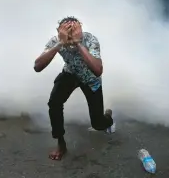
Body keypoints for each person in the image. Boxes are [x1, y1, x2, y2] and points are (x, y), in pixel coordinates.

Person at [33, 16, 114, 161]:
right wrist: (59, 44)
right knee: (54, 103)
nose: (70, 33)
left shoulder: (90, 40)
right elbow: (37, 66)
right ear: (59, 31)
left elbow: (97, 70)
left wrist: (78, 43)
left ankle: (108, 117)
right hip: (70, 73)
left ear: (80, 29)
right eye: (66, 30)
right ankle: (61, 144)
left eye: (74, 29)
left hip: (90, 79)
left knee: (98, 124)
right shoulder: (55, 41)